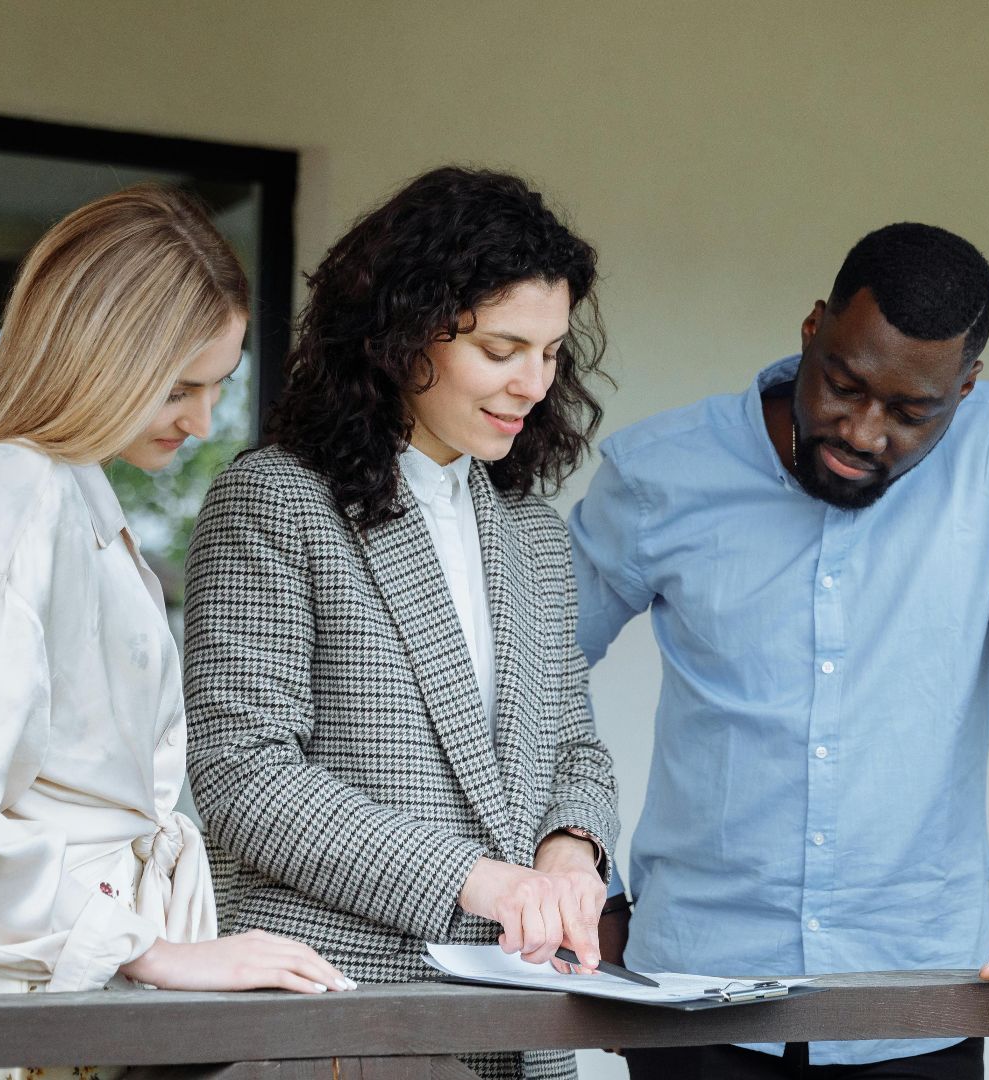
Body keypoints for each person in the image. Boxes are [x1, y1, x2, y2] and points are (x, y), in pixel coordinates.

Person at [570, 223, 989, 1078]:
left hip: (917, 1003)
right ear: (812, 330)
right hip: (692, 999)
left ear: (967, 388)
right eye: (843, 385)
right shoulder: (661, 474)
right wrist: (586, 880)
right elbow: (532, 676)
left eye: (911, 413)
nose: (865, 432)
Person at [0, 185, 351, 1072]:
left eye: (218, 389)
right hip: (27, 1000)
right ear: (98, 355)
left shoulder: (62, 490)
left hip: (66, 984)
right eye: (177, 389)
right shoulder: (16, 491)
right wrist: (150, 951)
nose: (201, 423)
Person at [183, 167, 620, 1080]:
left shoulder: (532, 531)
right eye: (503, 349)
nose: (534, 383)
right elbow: (243, 777)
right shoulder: (275, 500)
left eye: (549, 353)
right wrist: (487, 883)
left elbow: (575, 747)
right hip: (341, 1021)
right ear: (401, 334)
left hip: (524, 1024)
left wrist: (572, 856)